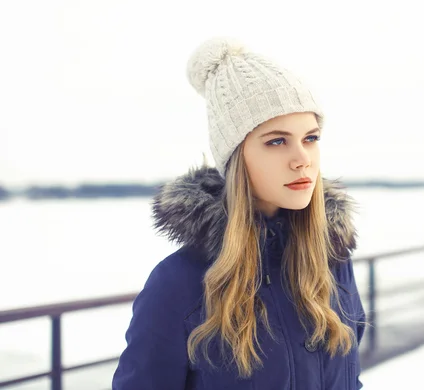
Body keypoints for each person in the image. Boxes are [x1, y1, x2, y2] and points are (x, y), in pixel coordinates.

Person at [112, 37, 366, 390]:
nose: (302, 158)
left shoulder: (333, 260)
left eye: (310, 138)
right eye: (277, 141)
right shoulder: (179, 282)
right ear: (235, 157)